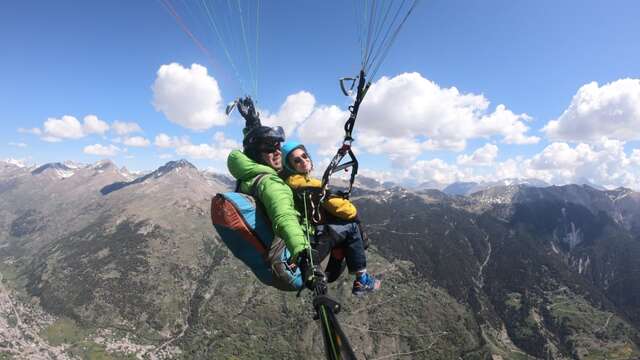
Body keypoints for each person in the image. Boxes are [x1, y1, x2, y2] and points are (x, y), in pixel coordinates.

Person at [226, 97, 319, 288]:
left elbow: (252, 146)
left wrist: (252, 122)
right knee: (343, 227)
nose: (277, 152)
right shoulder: (271, 183)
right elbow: (284, 216)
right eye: (269, 148)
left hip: (268, 254)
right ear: (256, 154)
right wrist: (303, 255)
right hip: (291, 247)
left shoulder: (248, 173)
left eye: (277, 146)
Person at [281, 141, 381, 296]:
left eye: (304, 156)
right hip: (314, 238)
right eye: (297, 160)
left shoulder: (294, 182)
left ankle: (339, 256)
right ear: (290, 166)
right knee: (352, 226)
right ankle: (362, 279)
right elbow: (348, 211)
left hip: (311, 235)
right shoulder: (308, 184)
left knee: (342, 231)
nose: (303, 161)